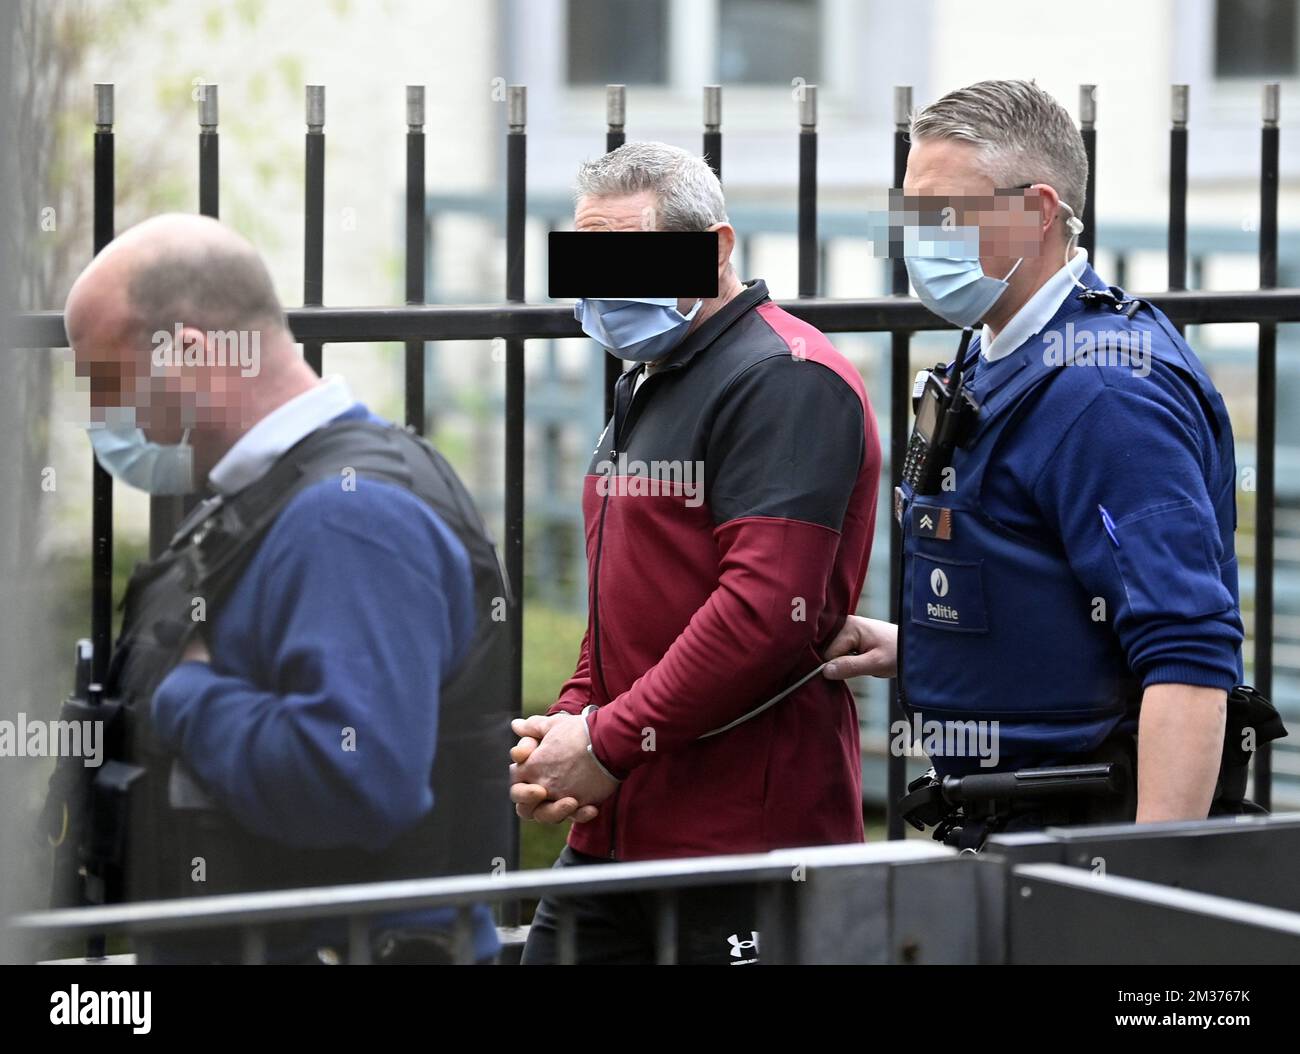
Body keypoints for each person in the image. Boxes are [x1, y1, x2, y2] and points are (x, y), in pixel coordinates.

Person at [59, 213, 512, 963]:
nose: (107, 417)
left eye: (107, 383)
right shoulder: (267, 500)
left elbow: (353, 776)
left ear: (187, 353)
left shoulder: (349, 515)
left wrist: (187, 695)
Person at [824, 80, 1250, 847]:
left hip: (1085, 835)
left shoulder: (1106, 392)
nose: (919, 238)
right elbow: (1040, 564)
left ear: (1038, 212)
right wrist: (927, 647)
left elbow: (1189, 655)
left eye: (944, 214)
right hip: (1005, 823)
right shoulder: (1000, 344)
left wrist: (1149, 888)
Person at [510, 142, 883, 964]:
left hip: (740, 847)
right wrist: (572, 725)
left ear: (715, 249)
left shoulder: (787, 379)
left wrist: (606, 743)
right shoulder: (652, 375)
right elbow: (627, 597)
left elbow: (763, 615)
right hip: (619, 837)